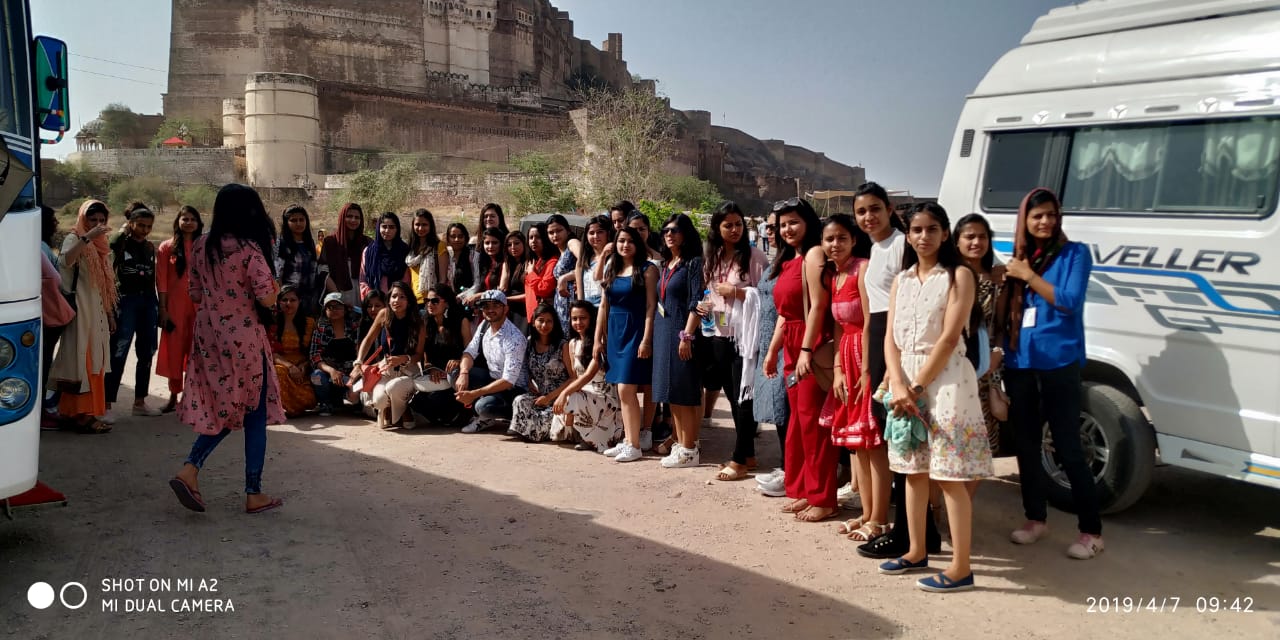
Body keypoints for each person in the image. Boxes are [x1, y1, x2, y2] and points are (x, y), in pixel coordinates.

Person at [877, 202, 992, 592]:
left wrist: (915, 388)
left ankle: (961, 568)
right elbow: (890, 338)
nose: (923, 236)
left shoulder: (959, 276)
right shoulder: (902, 280)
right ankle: (915, 550)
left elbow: (948, 338)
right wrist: (897, 383)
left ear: (945, 234)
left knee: (948, 476)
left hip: (945, 383)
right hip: (905, 380)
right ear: (908, 235)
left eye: (931, 229)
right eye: (916, 229)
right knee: (912, 471)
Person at [998, 187, 1103, 560]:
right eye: (1037, 216)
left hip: (1059, 362)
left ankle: (1091, 531)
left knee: (1068, 446)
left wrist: (1027, 276)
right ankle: (1035, 519)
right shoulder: (1019, 257)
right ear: (1024, 221)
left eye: (1051, 215)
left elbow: (1069, 301)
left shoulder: (1075, 254)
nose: (1045, 221)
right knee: (1026, 446)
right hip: (1021, 362)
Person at [169, 183, 285, 515]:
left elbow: (194, 293)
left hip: (208, 336)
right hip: (244, 337)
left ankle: (194, 469)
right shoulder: (249, 249)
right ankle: (247, 489)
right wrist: (275, 288)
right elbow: (267, 297)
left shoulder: (201, 245)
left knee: (224, 402)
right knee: (252, 410)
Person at [851, 182, 942, 560]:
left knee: (904, 441)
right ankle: (922, 532)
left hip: (898, 346)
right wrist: (869, 368)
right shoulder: (875, 249)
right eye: (861, 211)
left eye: (875, 209)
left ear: (889, 209)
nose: (868, 217)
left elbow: (908, 306)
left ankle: (908, 534)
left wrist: (895, 368)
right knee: (895, 438)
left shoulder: (903, 245)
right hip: (880, 343)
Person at [762, 197, 836, 522]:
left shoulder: (814, 254)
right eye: (782, 224)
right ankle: (804, 489)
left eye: (794, 222)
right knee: (798, 423)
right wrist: (772, 351)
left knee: (812, 424)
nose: (787, 229)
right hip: (793, 344)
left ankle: (823, 497)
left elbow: (818, 305)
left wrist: (806, 350)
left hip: (809, 343)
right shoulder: (789, 260)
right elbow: (785, 313)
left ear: (807, 222)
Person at [816, 214, 888, 541]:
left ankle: (879, 518)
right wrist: (838, 370)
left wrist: (868, 368)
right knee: (860, 446)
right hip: (847, 355)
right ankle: (867, 513)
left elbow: (871, 320)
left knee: (874, 443)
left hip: (866, 355)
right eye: (829, 239)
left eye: (841, 238)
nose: (835, 244)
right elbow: (837, 327)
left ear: (854, 240)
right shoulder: (835, 277)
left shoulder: (863, 268)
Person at [700, 202, 769, 480]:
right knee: (731, 394)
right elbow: (710, 291)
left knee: (744, 397)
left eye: (738, 224)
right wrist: (705, 305)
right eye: (727, 225)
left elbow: (766, 297)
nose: (734, 229)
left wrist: (737, 293)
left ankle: (739, 459)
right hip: (719, 334)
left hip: (745, 338)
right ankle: (748, 453)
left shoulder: (755, 257)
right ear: (717, 228)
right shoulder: (713, 257)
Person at [51, 200, 117, 433]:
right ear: (83, 219)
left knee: (96, 362)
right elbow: (66, 261)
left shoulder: (103, 244)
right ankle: (80, 416)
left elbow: (104, 286)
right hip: (80, 310)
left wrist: (110, 314)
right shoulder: (74, 238)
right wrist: (87, 237)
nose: (98, 224)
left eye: (101, 220)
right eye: (92, 219)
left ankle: (82, 413)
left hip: (97, 311)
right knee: (82, 361)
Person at [595, 227, 658, 463]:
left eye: (630, 241)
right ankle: (628, 439)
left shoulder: (648, 269)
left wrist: (646, 339)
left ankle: (634, 445)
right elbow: (603, 305)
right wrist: (598, 338)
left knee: (626, 389)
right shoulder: (612, 267)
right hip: (615, 332)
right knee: (622, 390)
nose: (625, 245)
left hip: (636, 331)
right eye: (621, 240)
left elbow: (651, 307)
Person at [652, 213, 705, 468]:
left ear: (686, 234)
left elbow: (698, 302)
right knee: (671, 392)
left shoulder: (693, 264)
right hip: (664, 331)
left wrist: (687, 336)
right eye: (666, 231)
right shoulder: (667, 263)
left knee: (685, 393)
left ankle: (690, 449)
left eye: (675, 230)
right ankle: (680, 443)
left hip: (683, 333)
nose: (669, 235)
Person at [954, 213, 1006, 457]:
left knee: (981, 446)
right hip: (953, 366)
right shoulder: (949, 277)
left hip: (984, 369)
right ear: (957, 242)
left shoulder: (998, 280)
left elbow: (1003, 325)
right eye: (970, 236)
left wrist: (998, 353)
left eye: (982, 237)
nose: (976, 242)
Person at [105, 201, 162, 419]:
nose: (145, 230)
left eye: (148, 226)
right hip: (125, 301)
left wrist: (157, 306)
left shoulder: (149, 247)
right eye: (140, 225)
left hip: (147, 301)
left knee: (147, 351)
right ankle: (107, 403)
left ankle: (140, 402)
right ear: (131, 223)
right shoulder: (120, 242)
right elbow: (112, 246)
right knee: (118, 351)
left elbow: (152, 278)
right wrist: (124, 229)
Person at [353, 281, 425, 429]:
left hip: (408, 370)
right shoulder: (384, 314)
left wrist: (404, 358)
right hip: (386, 369)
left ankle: (405, 408)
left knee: (394, 387)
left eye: (402, 297)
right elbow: (368, 339)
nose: (396, 300)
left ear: (409, 301)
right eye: (394, 296)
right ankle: (388, 408)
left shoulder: (418, 322)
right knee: (379, 399)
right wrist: (359, 361)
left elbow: (419, 354)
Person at [454, 289, 528, 433]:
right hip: (493, 379)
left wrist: (474, 394)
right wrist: (463, 373)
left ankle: (513, 417)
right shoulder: (484, 326)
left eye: (496, 305)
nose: (490, 310)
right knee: (456, 373)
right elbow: (469, 352)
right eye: (486, 306)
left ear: (505, 309)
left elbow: (508, 381)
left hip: (513, 390)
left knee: (483, 406)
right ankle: (479, 415)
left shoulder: (514, 338)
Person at [752, 213, 789, 496]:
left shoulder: (796, 263)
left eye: (778, 227)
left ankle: (790, 469)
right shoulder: (775, 262)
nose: (773, 232)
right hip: (767, 340)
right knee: (778, 408)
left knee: (786, 406)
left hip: (785, 342)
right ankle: (786, 465)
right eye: (771, 227)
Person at [552, 300, 622, 452]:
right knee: (569, 399)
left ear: (592, 318)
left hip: (603, 396)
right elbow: (575, 377)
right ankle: (577, 432)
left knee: (571, 397)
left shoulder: (600, 342)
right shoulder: (572, 343)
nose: (578, 322)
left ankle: (587, 437)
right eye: (574, 318)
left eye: (583, 318)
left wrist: (565, 393)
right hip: (583, 392)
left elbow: (589, 375)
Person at [156, 205, 204, 413]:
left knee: (197, 351)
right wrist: (163, 308)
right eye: (185, 219)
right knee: (174, 352)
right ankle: (173, 396)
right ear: (178, 221)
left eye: (193, 219)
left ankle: (191, 397)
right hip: (174, 307)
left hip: (200, 306)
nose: (189, 222)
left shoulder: (204, 246)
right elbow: (162, 281)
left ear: (199, 223)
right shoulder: (167, 247)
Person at [409, 284, 473, 426]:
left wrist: (459, 361)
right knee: (418, 403)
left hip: (455, 373)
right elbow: (424, 355)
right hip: (435, 374)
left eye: (435, 301)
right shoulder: (425, 321)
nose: (430, 304)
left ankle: (467, 412)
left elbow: (470, 350)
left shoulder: (461, 320)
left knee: (440, 401)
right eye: (427, 301)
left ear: (447, 303)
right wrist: (430, 368)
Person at [507, 303, 574, 441]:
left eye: (549, 321)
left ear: (554, 323)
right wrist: (529, 381)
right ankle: (529, 429)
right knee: (519, 400)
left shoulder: (562, 345)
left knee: (540, 421)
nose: (544, 325)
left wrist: (549, 398)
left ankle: (529, 430)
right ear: (533, 322)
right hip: (540, 397)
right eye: (541, 320)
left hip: (559, 399)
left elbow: (572, 378)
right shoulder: (530, 343)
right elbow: (526, 368)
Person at [270, 285, 318, 418]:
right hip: (281, 365)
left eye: (293, 300)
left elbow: (313, 351)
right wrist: (290, 367)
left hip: (302, 369)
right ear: (278, 302)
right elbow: (270, 352)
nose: (288, 304)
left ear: (299, 301)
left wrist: (304, 366)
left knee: (309, 399)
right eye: (284, 300)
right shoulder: (272, 323)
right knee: (278, 372)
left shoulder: (310, 323)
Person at [310, 292, 359, 416]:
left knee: (356, 396)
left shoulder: (354, 327)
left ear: (345, 309)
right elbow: (314, 356)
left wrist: (352, 374)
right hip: (329, 374)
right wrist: (332, 371)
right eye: (330, 307)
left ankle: (352, 401)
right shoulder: (320, 329)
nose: (334, 310)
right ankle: (325, 403)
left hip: (351, 373)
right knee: (316, 376)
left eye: (338, 306)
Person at [275, 204, 326, 314]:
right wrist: (282, 298)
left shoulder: (309, 243)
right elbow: (278, 275)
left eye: (301, 220)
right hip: (289, 301)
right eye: (293, 220)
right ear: (286, 222)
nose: (298, 223)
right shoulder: (281, 244)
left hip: (309, 299)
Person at [319, 202, 369, 307]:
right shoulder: (330, 242)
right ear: (342, 218)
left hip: (362, 295)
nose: (353, 220)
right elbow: (323, 271)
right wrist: (338, 297)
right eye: (349, 216)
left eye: (357, 217)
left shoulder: (367, 243)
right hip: (337, 294)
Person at [360, 212, 410, 298]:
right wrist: (372, 297)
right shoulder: (369, 252)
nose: (387, 231)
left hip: (398, 300)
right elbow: (363, 279)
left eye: (391, 227)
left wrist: (395, 297)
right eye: (384, 226)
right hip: (374, 301)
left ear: (397, 229)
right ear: (378, 228)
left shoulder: (404, 251)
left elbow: (407, 280)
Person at [406, 208, 449, 304]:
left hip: (431, 301)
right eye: (417, 224)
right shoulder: (410, 249)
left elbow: (443, 279)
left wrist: (434, 299)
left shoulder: (439, 246)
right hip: (413, 301)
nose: (420, 228)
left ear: (431, 226)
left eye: (424, 225)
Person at [547, 214, 581, 328]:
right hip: (561, 305)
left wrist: (565, 277)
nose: (555, 235)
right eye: (551, 232)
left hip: (574, 302)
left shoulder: (572, 243)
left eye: (559, 230)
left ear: (568, 230)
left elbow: (587, 264)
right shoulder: (559, 253)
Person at [522, 223, 560, 324]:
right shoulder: (534, 261)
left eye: (538, 237)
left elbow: (544, 289)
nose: (533, 241)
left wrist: (531, 273)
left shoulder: (552, 262)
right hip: (533, 316)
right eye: (531, 237)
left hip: (544, 319)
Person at [462, 227, 506, 306]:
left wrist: (478, 296)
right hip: (485, 307)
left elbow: (501, 291)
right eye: (487, 243)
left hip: (499, 307)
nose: (490, 246)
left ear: (501, 244)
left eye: (495, 243)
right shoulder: (484, 263)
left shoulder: (505, 264)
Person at [575, 215, 613, 306]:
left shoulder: (613, 257)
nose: (596, 236)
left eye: (600, 232)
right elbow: (580, 291)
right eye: (591, 233)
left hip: (606, 306)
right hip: (588, 307)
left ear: (608, 233)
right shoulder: (584, 259)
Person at [500, 231, 529, 333]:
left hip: (524, 310)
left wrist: (506, 298)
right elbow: (502, 288)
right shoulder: (507, 264)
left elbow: (529, 295)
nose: (513, 247)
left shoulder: (529, 262)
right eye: (509, 245)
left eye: (516, 243)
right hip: (509, 309)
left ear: (524, 244)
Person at [445, 223, 475, 295]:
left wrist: (463, 295)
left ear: (466, 238)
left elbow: (478, 282)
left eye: (460, 236)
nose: (457, 239)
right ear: (448, 239)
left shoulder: (473, 255)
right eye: (453, 236)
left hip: (469, 297)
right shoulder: (445, 256)